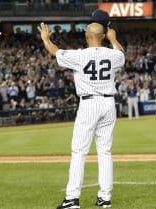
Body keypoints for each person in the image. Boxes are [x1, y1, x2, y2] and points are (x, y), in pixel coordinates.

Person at [39, 20, 124, 209]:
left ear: (86, 37)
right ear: (103, 37)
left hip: (89, 104)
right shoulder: (113, 54)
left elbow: (54, 51)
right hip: (108, 103)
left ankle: (72, 199)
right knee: (105, 151)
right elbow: (121, 53)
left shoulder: (79, 56)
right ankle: (105, 197)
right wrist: (113, 39)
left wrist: (46, 39)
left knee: (79, 152)